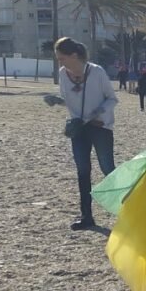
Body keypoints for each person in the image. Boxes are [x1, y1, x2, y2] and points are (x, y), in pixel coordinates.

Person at [55, 37, 117, 231]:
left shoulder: (97, 72)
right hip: (78, 129)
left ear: (74, 55)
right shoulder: (63, 74)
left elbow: (112, 99)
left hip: (100, 127)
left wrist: (95, 113)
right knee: (83, 172)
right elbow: (70, 100)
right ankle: (87, 216)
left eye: (62, 58)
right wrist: (57, 101)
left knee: (108, 170)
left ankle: (127, 212)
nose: (60, 62)